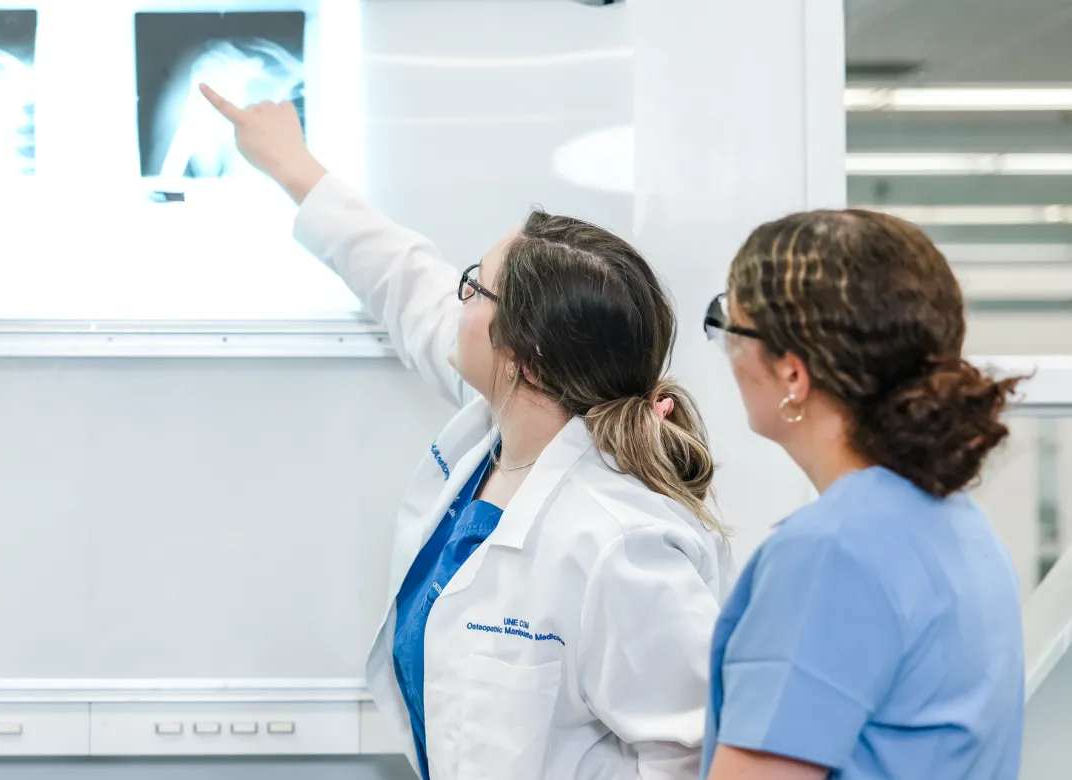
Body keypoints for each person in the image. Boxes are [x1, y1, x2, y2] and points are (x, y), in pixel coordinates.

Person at [202, 87, 731, 779]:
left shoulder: (620, 544)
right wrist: (293, 164)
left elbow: (696, 756)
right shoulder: (499, 428)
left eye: (475, 290)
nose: (456, 300)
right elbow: (403, 278)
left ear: (527, 357)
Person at [700, 210, 1025, 779]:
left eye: (731, 326)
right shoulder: (956, 521)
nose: (727, 350)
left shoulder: (830, 554)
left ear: (793, 375)